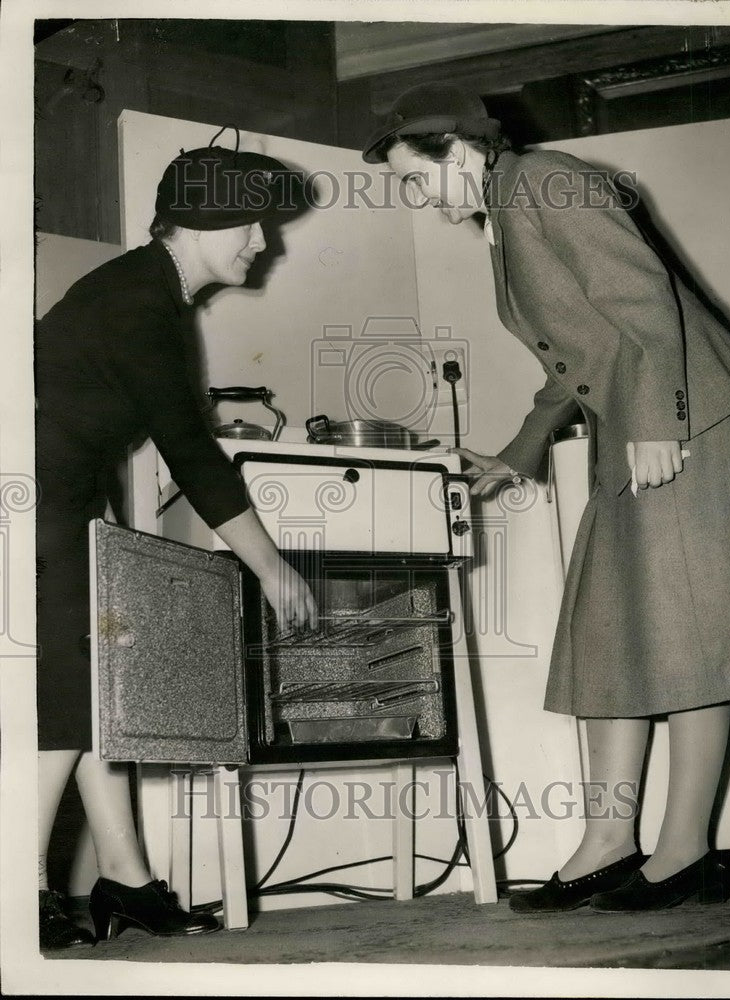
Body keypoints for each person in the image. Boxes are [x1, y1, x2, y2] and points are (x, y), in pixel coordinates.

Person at [362, 85, 730, 912]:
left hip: (682, 416)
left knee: (691, 640)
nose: (415, 197)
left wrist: (659, 423)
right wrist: (519, 456)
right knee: (617, 633)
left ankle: (685, 849)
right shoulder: (507, 213)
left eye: (416, 179)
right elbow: (573, 359)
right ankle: (609, 842)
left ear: (463, 151)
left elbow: (642, 299)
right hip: (640, 420)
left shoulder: (548, 181)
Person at [35, 127, 317, 947]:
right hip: (31, 504)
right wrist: (269, 567)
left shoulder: (147, 292)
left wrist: (104, 529)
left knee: (94, 701)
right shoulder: (138, 300)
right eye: (247, 227)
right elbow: (189, 448)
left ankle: (125, 882)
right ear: (193, 226)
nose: (260, 245)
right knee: (65, 708)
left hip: (58, 501)